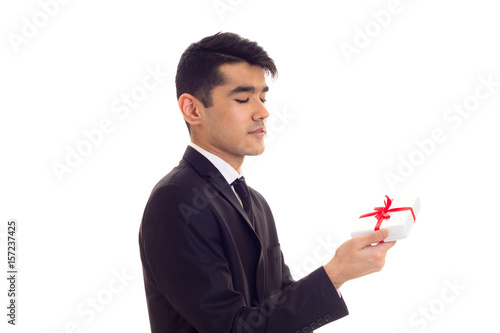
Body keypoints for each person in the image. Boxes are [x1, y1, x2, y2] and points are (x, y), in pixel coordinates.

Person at [138, 32, 396, 333]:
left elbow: (277, 308)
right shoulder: (176, 200)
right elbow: (233, 329)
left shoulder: (254, 201)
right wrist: (335, 272)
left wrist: (343, 270)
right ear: (192, 109)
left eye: (262, 97)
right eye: (243, 98)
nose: (263, 112)